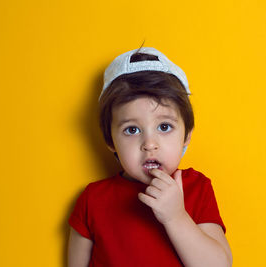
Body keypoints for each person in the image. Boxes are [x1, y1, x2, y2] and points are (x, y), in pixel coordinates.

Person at [67, 47, 233, 267]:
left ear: (186, 136)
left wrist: (176, 217)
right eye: (132, 130)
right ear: (109, 140)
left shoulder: (195, 189)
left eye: (164, 126)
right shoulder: (92, 200)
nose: (149, 144)